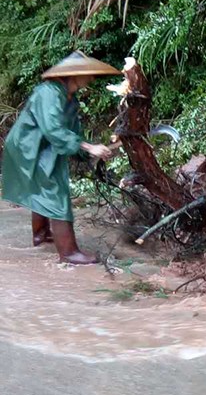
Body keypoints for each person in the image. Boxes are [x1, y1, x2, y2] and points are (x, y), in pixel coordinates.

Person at [1, 50, 120, 264]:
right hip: (28, 147)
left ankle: (41, 234)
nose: (91, 78)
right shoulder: (48, 92)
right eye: (88, 74)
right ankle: (68, 253)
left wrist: (91, 151)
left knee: (44, 188)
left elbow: (72, 132)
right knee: (55, 192)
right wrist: (89, 147)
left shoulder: (69, 98)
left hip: (44, 147)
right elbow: (53, 129)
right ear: (74, 75)